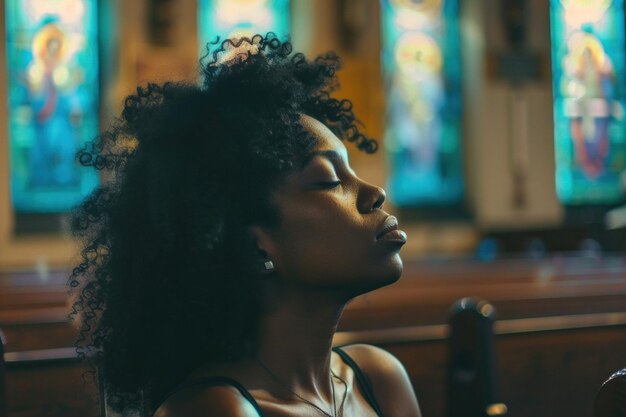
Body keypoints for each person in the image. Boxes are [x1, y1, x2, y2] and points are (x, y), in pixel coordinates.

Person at [69, 33, 421, 417]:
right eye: (328, 180)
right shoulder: (215, 409)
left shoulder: (378, 378)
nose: (374, 192)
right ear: (254, 245)